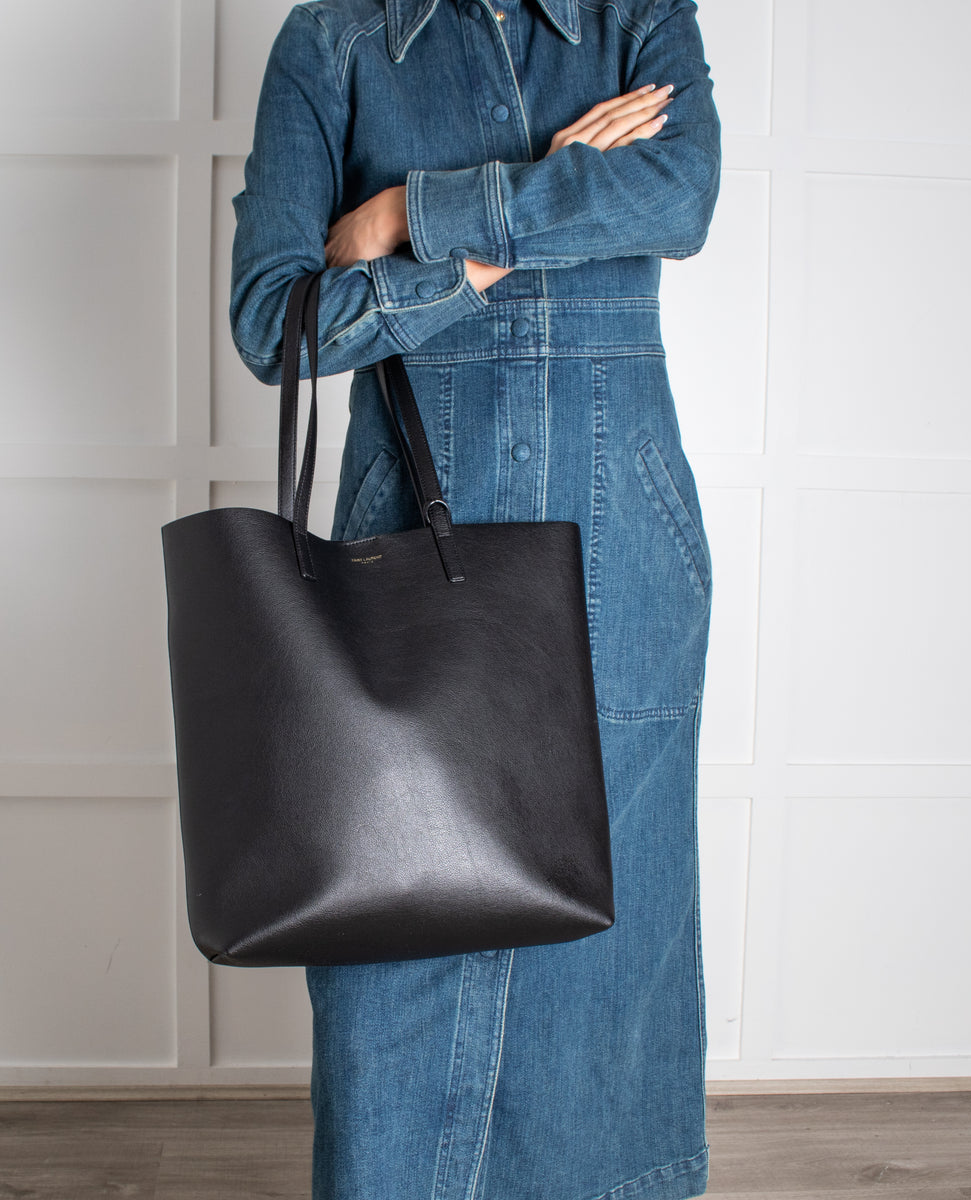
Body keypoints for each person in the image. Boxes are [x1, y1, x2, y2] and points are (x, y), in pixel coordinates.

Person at [229, 0, 721, 1196]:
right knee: (397, 928)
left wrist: (416, 215)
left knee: (609, 946)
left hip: (620, 550)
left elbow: (677, 198)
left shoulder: (639, 17)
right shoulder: (333, 42)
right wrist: (509, 238)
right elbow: (274, 320)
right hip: (405, 536)